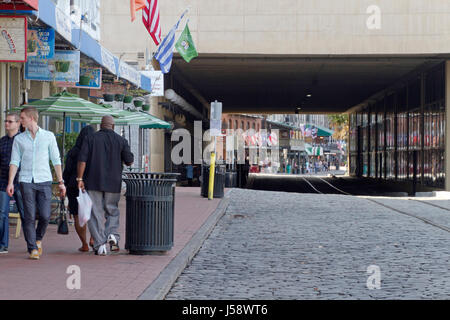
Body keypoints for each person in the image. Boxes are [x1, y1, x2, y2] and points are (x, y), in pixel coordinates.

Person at [7, 106, 66, 260]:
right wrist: (10, 182)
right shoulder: (19, 139)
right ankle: (32, 247)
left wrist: (61, 181)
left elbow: (56, 160)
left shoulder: (48, 136)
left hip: (44, 180)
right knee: (29, 216)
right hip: (25, 181)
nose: (20, 121)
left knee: (46, 216)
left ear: (31, 118)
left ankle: (38, 238)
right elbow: (14, 162)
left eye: (22, 119)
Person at [77, 116, 134, 256]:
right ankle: (112, 234)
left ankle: (99, 244)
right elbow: (129, 161)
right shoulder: (121, 141)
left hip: (93, 181)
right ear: (113, 126)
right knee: (112, 210)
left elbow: (82, 160)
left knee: (95, 212)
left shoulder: (90, 138)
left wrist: (80, 178)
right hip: (113, 183)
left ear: (101, 125)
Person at [63, 125, 95, 252]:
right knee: (93, 214)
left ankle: (84, 244)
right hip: (91, 186)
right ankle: (93, 238)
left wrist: (64, 185)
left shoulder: (73, 151)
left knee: (77, 215)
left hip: (73, 186)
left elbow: (67, 171)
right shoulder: (95, 152)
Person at [0, 113, 25, 254]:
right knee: (2, 213)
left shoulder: (23, 140)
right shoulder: (2, 141)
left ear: (17, 124)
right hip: (3, 182)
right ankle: (3, 244)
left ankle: (32, 243)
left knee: (25, 213)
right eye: (6, 121)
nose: (7, 124)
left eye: (10, 121)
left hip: (21, 182)